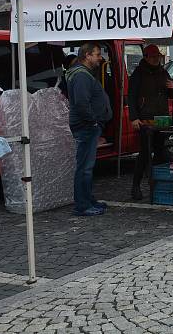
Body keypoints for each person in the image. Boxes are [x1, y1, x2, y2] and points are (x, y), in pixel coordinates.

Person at [66, 43, 112, 217]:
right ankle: (82, 205)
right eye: (97, 54)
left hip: (87, 125)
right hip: (86, 126)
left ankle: (87, 199)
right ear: (87, 55)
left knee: (87, 166)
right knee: (84, 167)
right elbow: (81, 103)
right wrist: (93, 122)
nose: (100, 58)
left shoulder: (82, 74)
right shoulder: (81, 76)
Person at [128, 44, 173, 200]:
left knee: (161, 151)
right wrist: (134, 117)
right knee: (144, 152)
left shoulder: (163, 72)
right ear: (146, 57)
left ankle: (158, 183)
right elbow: (131, 96)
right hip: (145, 118)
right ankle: (136, 186)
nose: (156, 59)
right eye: (154, 57)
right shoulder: (138, 73)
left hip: (162, 118)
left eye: (158, 57)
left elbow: (172, 94)